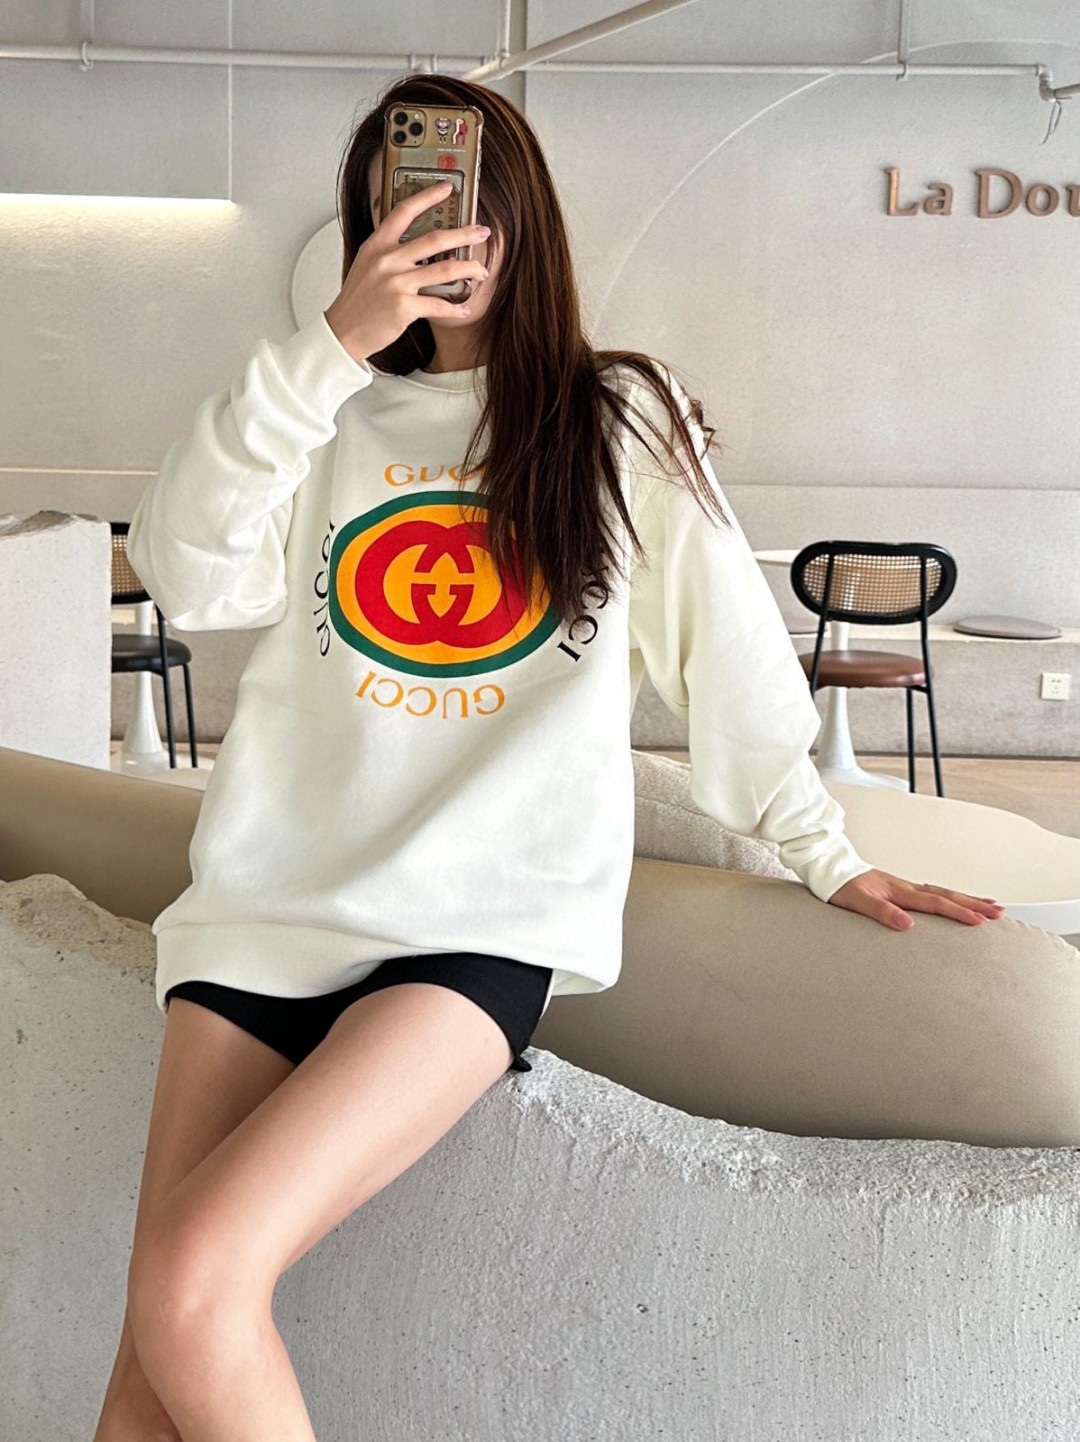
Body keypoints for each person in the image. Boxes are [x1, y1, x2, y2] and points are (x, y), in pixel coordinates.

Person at [94, 73, 1003, 1442]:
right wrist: (330, 348)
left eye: (458, 203)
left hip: (474, 930)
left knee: (190, 1284)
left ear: (518, 218)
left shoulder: (615, 416)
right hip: (260, 917)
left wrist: (822, 849)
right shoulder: (317, 409)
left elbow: (729, 651)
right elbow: (186, 571)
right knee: (147, 1373)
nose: (434, 230)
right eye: (400, 206)